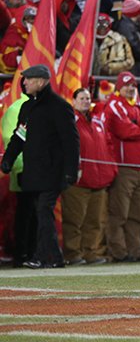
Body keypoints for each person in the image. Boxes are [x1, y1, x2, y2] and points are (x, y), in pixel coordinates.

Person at [0, 65, 80, 269]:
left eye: (28, 79)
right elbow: (19, 137)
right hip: (33, 172)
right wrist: (8, 159)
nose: (24, 82)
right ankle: (52, 257)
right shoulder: (27, 108)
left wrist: (71, 170)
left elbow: (71, 141)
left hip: (53, 172)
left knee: (43, 211)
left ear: (41, 81)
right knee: (41, 214)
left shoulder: (59, 107)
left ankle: (45, 257)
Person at [104, 71, 140, 263]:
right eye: (127, 85)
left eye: (133, 86)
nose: (130, 89)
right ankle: (118, 251)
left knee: (137, 214)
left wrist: (139, 123)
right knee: (119, 213)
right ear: (119, 87)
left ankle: (135, 250)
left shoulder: (138, 105)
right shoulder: (114, 104)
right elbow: (126, 130)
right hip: (125, 167)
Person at [62, 88, 117, 266]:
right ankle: (72, 254)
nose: (86, 101)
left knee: (95, 221)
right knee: (74, 220)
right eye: (82, 98)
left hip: (99, 180)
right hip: (78, 181)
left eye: (87, 98)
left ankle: (90, 252)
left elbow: (109, 146)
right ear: (73, 101)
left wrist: (111, 169)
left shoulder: (98, 122)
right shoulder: (69, 121)